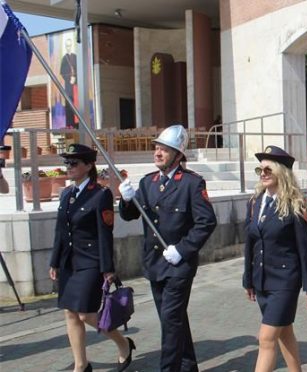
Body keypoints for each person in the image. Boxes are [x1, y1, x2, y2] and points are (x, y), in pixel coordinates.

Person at [118, 125, 217, 372]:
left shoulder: (192, 183)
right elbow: (130, 215)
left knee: (170, 321)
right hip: (154, 264)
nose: (158, 153)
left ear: (178, 155)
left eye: (165, 149)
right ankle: (188, 366)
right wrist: (126, 199)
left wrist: (182, 250)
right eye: (157, 148)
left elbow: (207, 222)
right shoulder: (148, 182)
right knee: (173, 318)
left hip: (178, 265)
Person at [49, 144, 134, 372]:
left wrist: (108, 268)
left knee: (87, 314)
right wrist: (55, 261)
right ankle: (81, 365)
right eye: (67, 163)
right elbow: (60, 230)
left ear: (88, 165)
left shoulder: (100, 194)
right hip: (69, 262)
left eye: (74, 163)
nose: (69, 167)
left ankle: (123, 343)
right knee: (70, 313)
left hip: (90, 261)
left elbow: (104, 232)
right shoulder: (66, 193)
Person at [243, 145, 307, 371]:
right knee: (285, 332)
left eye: (268, 169)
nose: (263, 174)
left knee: (266, 338)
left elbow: (304, 249)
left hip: (285, 281)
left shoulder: (295, 205)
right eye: (260, 170)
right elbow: (250, 244)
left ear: (281, 172)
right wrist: (248, 278)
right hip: (262, 280)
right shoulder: (255, 202)